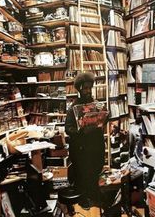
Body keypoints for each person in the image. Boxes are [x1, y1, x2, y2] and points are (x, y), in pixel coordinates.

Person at [65, 72, 106, 209]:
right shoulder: (73, 108)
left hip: (95, 146)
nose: (88, 91)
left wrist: (104, 116)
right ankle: (83, 198)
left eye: (90, 88)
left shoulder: (96, 105)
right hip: (82, 148)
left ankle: (94, 197)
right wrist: (80, 130)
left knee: (95, 172)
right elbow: (68, 129)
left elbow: (102, 123)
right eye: (85, 88)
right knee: (83, 174)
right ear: (79, 89)